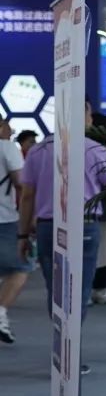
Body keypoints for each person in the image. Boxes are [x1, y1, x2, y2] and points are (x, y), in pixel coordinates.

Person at [17, 100, 106, 370]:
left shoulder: (38, 151)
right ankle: (69, 354)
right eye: (89, 114)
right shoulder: (94, 150)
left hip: (48, 227)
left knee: (55, 290)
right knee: (79, 292)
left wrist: (23, 235)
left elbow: (27, 197)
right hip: (85, 227)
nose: (91, 120)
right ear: (83, 116)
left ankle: (62, 349)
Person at [0, 118, 27, 343]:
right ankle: (0, 314)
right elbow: (21, 183)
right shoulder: (6, 148)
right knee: (20, 267)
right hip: (4, 218)